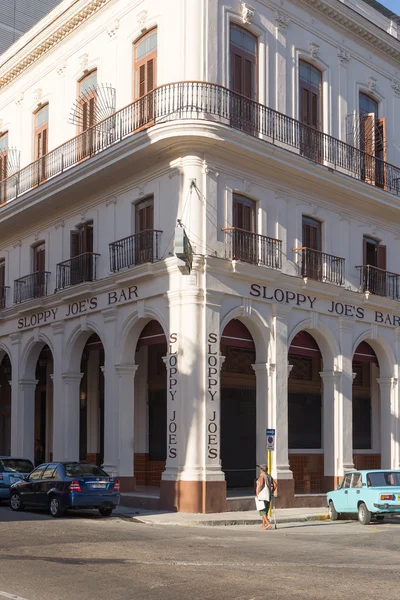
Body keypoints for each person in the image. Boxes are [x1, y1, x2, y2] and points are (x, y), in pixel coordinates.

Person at [256, 464, 276, 530]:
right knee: (265, 511)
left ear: (262, 469)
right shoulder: (269, 476)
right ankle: (263, 525)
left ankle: (268, 523)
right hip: (268, 495)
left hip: (263, 495)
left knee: (262, 510)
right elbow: (275, 485)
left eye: (260, 469)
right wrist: (272, 491)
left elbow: (261, 484)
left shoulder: (262, 476)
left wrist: (258, 493)